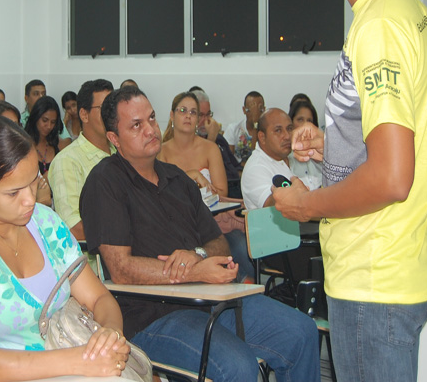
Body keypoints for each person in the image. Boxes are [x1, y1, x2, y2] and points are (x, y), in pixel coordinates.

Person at [272, 0, 427, 382]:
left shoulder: (379, 26)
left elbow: (393, 177)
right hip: (405, 261)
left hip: (375, 276)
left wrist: (305, 203)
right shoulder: (413, 13)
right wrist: (337, 142)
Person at [79, 86, 319, 381]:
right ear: (114, 139)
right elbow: (121, 268)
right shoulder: (105, 182)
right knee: (238, 366)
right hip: (153, 316)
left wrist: (198, 255)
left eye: (152, 119)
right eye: (136, 125)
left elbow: (218, 242)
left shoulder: (177, 178)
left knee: (301, 332)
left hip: (213, 300)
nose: (150, 130)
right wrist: (194, 270)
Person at [0, 115, 129, 381]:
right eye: (13, 193)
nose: (30, 200)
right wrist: (81, 360)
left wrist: (110, 334)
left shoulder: (46, 223)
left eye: (34, 181)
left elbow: (99, 299)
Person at [158, 91, 253, 283]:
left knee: (241, 248)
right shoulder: (161, 151)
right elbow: (161, 193)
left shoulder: (210, 149)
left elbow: (221, 192)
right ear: (172, 115)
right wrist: (192, 176)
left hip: (215, 223)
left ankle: (247, 289)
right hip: (178, 226)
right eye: (182, 110)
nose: (188, 116)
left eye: (193, 112)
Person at [48, 79, 114, 240]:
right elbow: (73, 227)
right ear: (84, 114)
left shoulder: (122, 151)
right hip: (93, 261)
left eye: (113, 108)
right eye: (104, 108)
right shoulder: (67, 161)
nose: (111, 115)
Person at [241, 109, 294, 210]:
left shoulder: (296, 156)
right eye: (278, 130)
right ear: (262, 137)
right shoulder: (256, 168)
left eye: (289, 129)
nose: (287, 136)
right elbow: (274, 204)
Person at [24, 96, 63, 207]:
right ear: (36, 117)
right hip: (32, 204)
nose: (49, 126)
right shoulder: (24, 145)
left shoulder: (57, 144)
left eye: (53, 122)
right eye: (44, 120)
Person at [287, 100, 322, 191]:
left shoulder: (321, 153)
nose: (305, 125)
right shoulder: (285, 156)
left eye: (309, 121)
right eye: (300, 120)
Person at [225, 91, 265, 167]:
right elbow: (228, 159)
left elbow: (256, 157)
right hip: (237, 171)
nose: (255, 113)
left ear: (264, 110)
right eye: (251, 109)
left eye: (259, 109)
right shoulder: (233, 129)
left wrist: (255, 125)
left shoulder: (267, 131)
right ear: (244, 110)